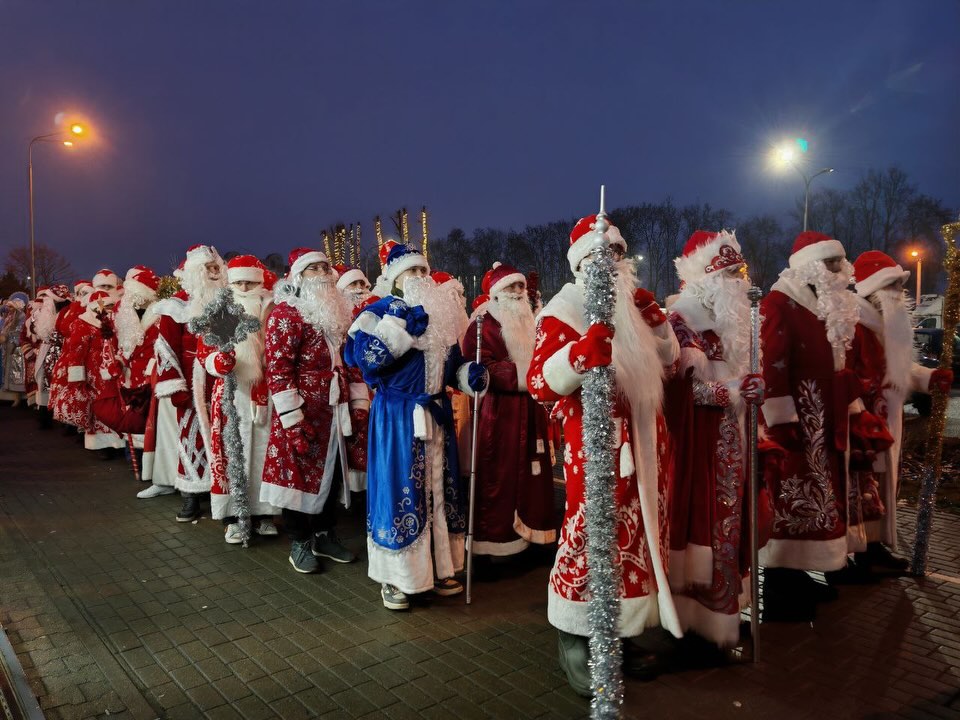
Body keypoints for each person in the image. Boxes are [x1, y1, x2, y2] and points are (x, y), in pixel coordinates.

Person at [527, 215, 681, 696]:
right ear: (580, 263)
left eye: (616, 254)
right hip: (595, 444)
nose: (610, 263)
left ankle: (623, 631)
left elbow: (669, 363)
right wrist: (579, 355)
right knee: (590, 532)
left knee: (636, 538)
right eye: (600, 255)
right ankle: (575, 633)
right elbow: (539, 382)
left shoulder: (631, 307)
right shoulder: (563, 310)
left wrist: (657, 323)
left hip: (644, 443)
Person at [345, 240, 487, 610]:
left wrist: (467, 375)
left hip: (436, 415)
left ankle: (438, 568)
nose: (421, 276)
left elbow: (450, 366)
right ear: (394, 278)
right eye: (412, 270)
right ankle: (396, 577)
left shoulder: (439, 315)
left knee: (439, 491)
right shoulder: (377, 311)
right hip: (398, 419)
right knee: (399, 491)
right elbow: (365, 360)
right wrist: (399, 327)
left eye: (424, 269)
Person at [759, 231, 876, 619]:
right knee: (792, 494)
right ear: (809, 266)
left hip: (826, 420)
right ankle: (779, 584)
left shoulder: (825, 306)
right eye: (830, 263)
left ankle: (799, 573)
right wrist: (781, 418)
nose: (839, 270)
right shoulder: (781, 303)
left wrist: (852, 405)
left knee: (820, 495)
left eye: (839, 262)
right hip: (797, 421)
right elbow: (770, 363)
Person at [665, 230, 765, 653]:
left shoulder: (735, 322)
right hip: (700, 448)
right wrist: (732, 391)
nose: (737, 281)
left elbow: (745, 376)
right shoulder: (681, 321)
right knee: (704, 528)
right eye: (727, 273)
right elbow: (679, 391)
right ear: (704, 276)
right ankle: (695, 623)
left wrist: (753, 388)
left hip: (733, 442)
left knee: (730, 528)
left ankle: (723, 617)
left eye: (739, 272)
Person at [263, 248, 368, 573]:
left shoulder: (338, 313)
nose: (323, 273)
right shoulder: (286, 314)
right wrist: (293, 420)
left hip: (335, 412)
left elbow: (350, 362)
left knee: (332, 474)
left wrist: (359, 403)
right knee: (298, 477)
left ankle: (324, 534)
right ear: (298, 276)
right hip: (304, 411)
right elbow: (279, 370)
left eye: (325, 267)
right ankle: (300, 540)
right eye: (314, 268)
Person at [847, 251, 952, 574]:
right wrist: (857, 412)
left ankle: (876, 545)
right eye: (892, 285)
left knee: (883, 483)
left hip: (887, 419)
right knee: (865, 487)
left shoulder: (885, 326)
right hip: (866, 421)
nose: (899, 293)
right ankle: (864, 549)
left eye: (899, 285)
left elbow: (901, 370)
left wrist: (929, 378)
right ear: (874, 289)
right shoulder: (856, 325)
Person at [461, 261, 556, 562]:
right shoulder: (483, 324)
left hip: (532, 409)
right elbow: (479, 366)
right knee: (499, 475)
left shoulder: (531, 320)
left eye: (520, 286)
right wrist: (525, 374)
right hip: (501, 414)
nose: (517, 291)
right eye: (511, 286)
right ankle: (497, 544)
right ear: (497, 293)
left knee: (534, 472)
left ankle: (533, 536)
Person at [197, 255, 280, 543]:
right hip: (232, 393)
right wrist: (216, 362)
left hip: (265, 392)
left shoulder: (273, 309)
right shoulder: (219, 311)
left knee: (264, 452)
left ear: (260, 282)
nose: (244, 288)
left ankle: (265, 513)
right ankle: (232, 517)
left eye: (250, 282)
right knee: (233, 452)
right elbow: (203, 350)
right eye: (239, 282)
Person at [146, 246, 227, 513]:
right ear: (194, 272)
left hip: (223, 380)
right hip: (193, 383)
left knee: (225, 437)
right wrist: (175, 385)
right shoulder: (176, 305)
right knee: (191, 437)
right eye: (208, 268)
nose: (214, 273)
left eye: (216, 267)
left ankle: (221, 489)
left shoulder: (228, 300)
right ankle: (191, 492)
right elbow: (166, 348)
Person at [52, 288, 126, 455]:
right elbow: (76, 353)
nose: (108, 310)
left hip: (112, 372)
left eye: (110, 307)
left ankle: (116, 441)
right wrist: (77, 380)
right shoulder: (82, 323)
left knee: (113, 407)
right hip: (92, 375)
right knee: (97, 408)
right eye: (105, 307)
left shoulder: (115, 323)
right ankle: (100, 445)